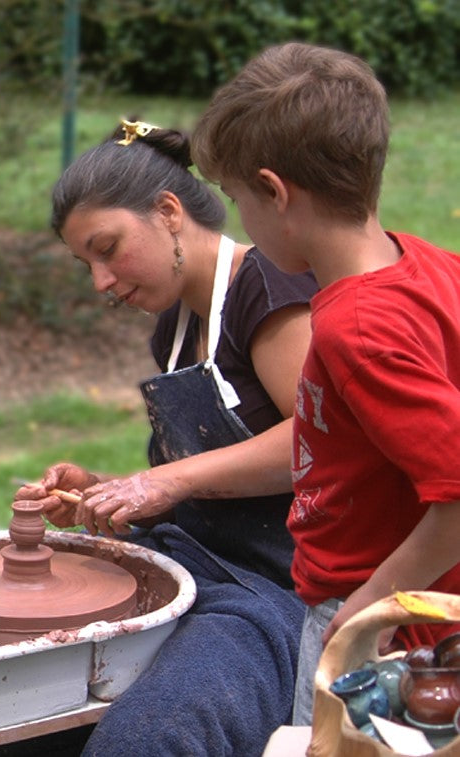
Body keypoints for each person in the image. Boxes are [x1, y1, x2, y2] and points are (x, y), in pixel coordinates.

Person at [15, 118, 318, 756]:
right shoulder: (176, 326)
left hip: (275, 592)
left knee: (148, 740)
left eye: (107, 248)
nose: (99, 281)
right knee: (14, 690)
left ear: (169, 212)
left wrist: (159, 481)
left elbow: (318, 442)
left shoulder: (267, 288)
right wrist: (107, 496)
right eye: (85, 263)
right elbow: (209, 480)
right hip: (192, 565)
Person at [191, 41, 460, 726]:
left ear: (275, 192)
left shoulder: (355, 328)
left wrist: (365, 614)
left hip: (388, 642)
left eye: (236, 199)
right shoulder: (432, 267)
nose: (240, 222)